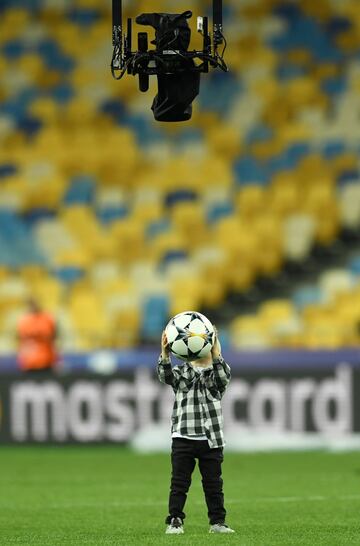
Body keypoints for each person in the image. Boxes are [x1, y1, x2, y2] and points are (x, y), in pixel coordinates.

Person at [157, 328, 235, 535]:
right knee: (179, 483)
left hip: (211, 439)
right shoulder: (182, 371)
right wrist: (165, 354)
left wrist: (217, 353)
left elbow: (221, 379)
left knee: (213, 484)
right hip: (183, 436)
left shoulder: (219, 371)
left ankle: (218, 522)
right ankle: (175, 520)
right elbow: (165, 377)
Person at [17, 299, 57, 373]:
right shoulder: (23, 321)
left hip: (46, 360)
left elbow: (53, 337)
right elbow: (22, 341)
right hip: (29, 362)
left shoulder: (47, 318)